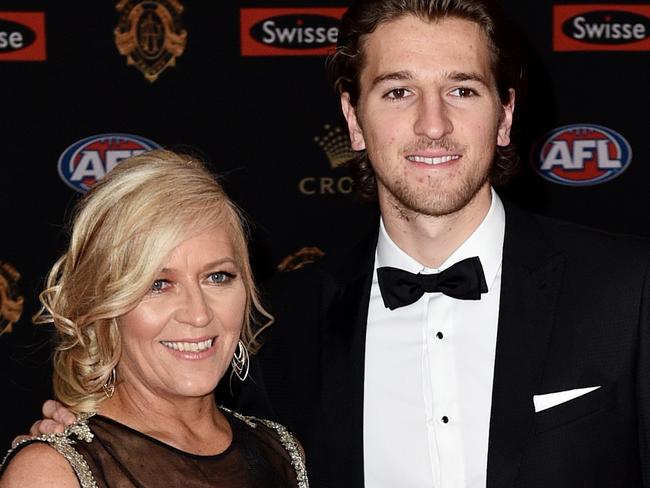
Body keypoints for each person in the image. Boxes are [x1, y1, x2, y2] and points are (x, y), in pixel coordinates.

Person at [26, 0, 650, 487]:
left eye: (462, 89)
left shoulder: (628, 291)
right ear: (353, 119)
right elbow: (171, 432)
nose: (432, 124)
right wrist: (80, 444)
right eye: (398, 91)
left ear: (505, 115)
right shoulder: (276, 327)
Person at [0, 150, 308, 487]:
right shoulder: (52, 473)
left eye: (217, 277)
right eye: (158, 285)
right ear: (103, 304)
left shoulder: (280, 451)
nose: (199, 314)